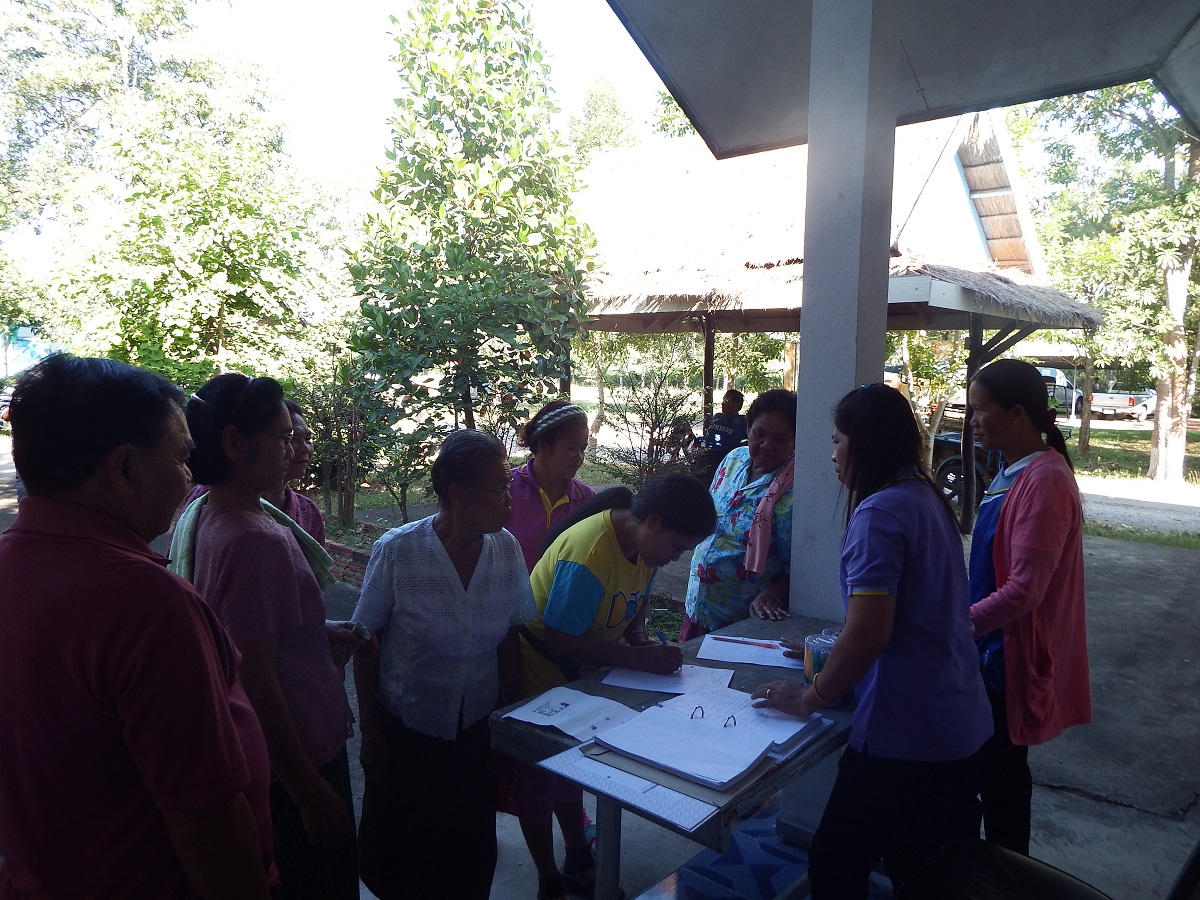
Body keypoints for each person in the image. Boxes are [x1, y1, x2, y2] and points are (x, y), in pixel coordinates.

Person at [0, 354, 274, 898]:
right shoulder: (147, 605)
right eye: (181, 457)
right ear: (125, 469)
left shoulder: (12, 563)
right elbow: (207, 825)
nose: (189, 476)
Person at [752, 383, 991, 899]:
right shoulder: (924, 496)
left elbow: (870, 632)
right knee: (924, 870)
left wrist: (811, 697)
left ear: (865, 444)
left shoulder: (880, 513)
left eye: (838, 442)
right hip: (957, 717)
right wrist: (834, 645)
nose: (833, 456)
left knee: (836, 864)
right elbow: (907, 613)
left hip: (906, 732)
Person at [174, 373, 361, 900]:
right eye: (281, 437)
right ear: (235, 443)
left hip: (273, 754)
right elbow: (256, 678)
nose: (292, 449)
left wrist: (314, 632)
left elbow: (248, 631)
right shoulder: (256, 539)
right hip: (297, 754)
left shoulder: (209, 513)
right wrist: (308, 790)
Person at [350, 429, 535, 899]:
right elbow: (364, 641)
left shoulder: (506, 550)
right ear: (459, 495)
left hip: (475, 730)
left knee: (466, 851)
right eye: (501, 487)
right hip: (406, 730)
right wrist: (371, 731)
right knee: (405, 855)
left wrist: (513, 718)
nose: (511, 498)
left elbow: (509, 636)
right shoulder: (398, 551)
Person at [515, 474, 717, 900]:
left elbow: (636, 599)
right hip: (539, 672)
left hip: (582, 671)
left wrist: (638, 637)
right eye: (677, 547)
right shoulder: (590, 552)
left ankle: (576, 858)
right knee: (537, 779)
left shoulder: (644, 546)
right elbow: (559, 638)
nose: (674, 558)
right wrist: (638, 659)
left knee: (570, 767)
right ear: (654, 521)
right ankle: (547, 879)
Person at [967, 358, 1091, 855]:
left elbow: (1025, 591)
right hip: (986, 645)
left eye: (980, 410)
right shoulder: (1013, 469)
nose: (973, 421)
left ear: (1017, 414)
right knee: (988, 772)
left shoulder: (1044, 481)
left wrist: (957, 625)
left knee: (1000, 780)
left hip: (1007, 655)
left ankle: (1005, 874)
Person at [680, 388, 797, 641]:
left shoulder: (793, 493)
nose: (767, 445)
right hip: (698, 605)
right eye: (760, 434)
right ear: (748, 429)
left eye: (780, 439)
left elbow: (795, 569)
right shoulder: (733, 459)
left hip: (740, 622)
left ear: (795, 441)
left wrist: (772, 594)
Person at [178, 399, 325, 545]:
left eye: (308, 439)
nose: (304, 448)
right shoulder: (208, 497)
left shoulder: (308, 512)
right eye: (289, 438)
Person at [508, 400, 595, 572]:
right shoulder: (507, 489)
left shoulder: (586, 499)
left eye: (582, 449)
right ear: (544, 446)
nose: (579, 457)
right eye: (571, 448)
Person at [700, 389, 749, 455]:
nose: (722, 403)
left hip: (720, 456)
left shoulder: (743, 421)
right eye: (723, 400)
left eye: (726, 401)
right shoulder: (717, 416)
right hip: (703, 450)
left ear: (736, 404)